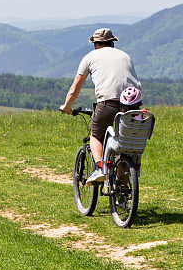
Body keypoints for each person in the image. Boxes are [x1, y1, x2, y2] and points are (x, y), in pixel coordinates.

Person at [60, 28, 141, 183]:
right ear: (112, 43)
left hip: (107, 104)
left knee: (95, 135)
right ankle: (123, 191)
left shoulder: (90, 57)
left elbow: (75, 88)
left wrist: (66, 107)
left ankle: (99, 168)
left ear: (95, 45)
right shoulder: (125, 56)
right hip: (133, 105)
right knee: (122, 143)